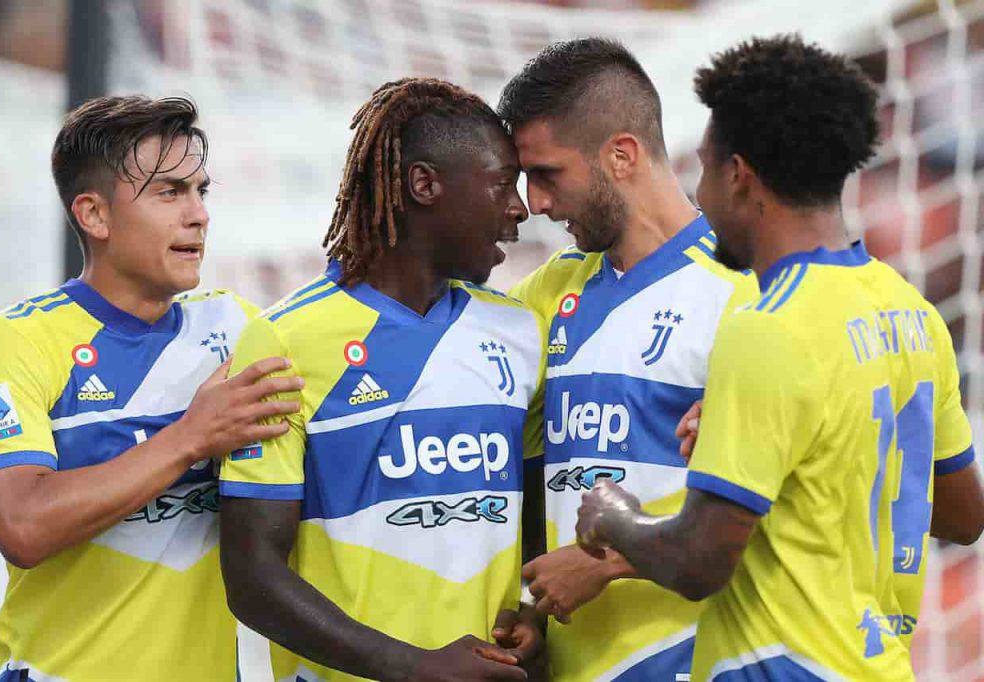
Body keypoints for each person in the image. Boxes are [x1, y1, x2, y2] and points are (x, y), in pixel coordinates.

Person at [575, 34, 984, 680]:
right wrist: (800, 453)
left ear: (739, 175)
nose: (700, 197)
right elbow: (964, 516)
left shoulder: (766, 324)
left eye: (705, 170)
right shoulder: (910, 311)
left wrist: (612, 517)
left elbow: (695, 563)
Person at [0, 95, 299, 681]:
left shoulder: (236, 327)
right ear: (94, 215)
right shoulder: (13, 341)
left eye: (201, 191)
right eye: (169, 192)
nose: (198, 214)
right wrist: (191, 437)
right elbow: (23, 526)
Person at [218, 77, 545, 682]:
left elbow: (536, 516)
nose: (521, 208)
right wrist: (413, 668)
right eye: (502, 184)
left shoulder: (518, 330)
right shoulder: (285, 338)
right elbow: (252, 576)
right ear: (424, 185)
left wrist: (534, 616)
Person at [497, 37, 756, 680]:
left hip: (698, 659)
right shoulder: (546, 292)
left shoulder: (746, 295)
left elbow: (797, 508)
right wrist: (531, 607)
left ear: (621, 155)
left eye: (548, 174)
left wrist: (609, 562)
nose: (535, 203)